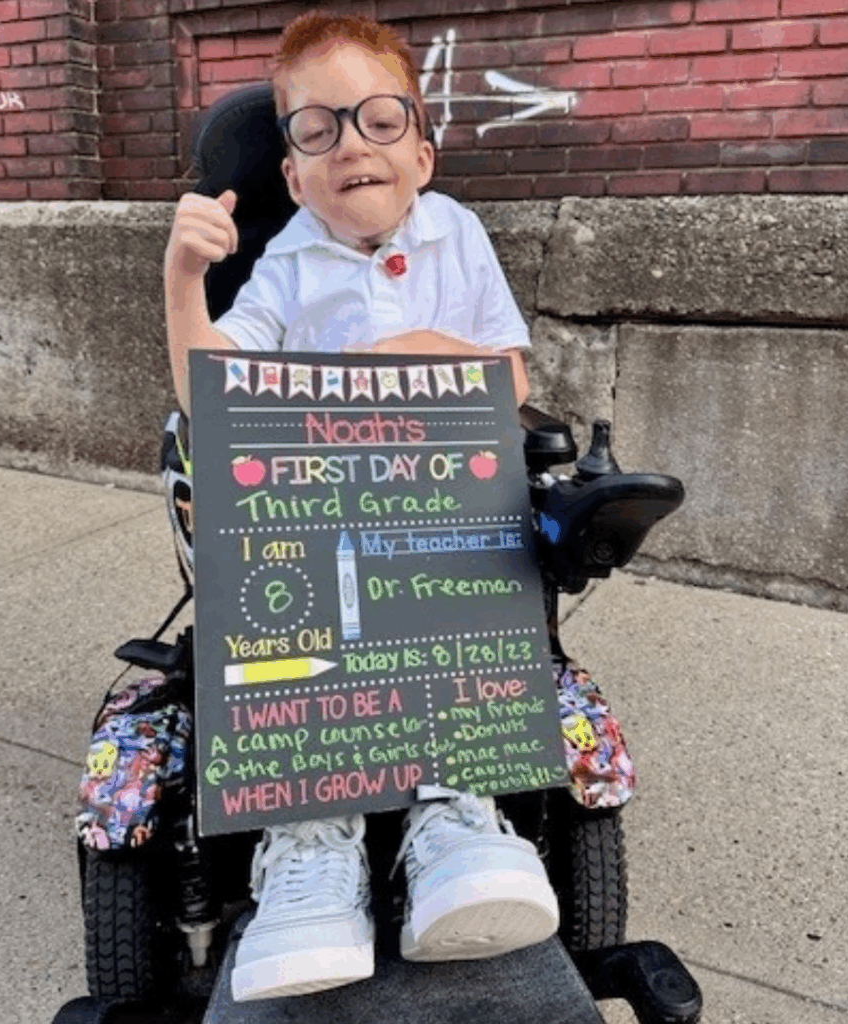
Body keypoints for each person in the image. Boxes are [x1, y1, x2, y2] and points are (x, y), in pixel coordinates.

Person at [162, 10, 634, 1004]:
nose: (352, 146)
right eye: (317, 130)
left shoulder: (454, 234)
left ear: (420, 150)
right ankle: (307, 839)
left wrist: (399, 359)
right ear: (293, 173)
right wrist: (184, 281)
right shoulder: (283, 265)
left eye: (378, 121)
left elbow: (507, 373)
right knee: (286, 589)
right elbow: (213, 394)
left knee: (459, 593)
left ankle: (454, 810)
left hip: (435, 521)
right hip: (312, 529)